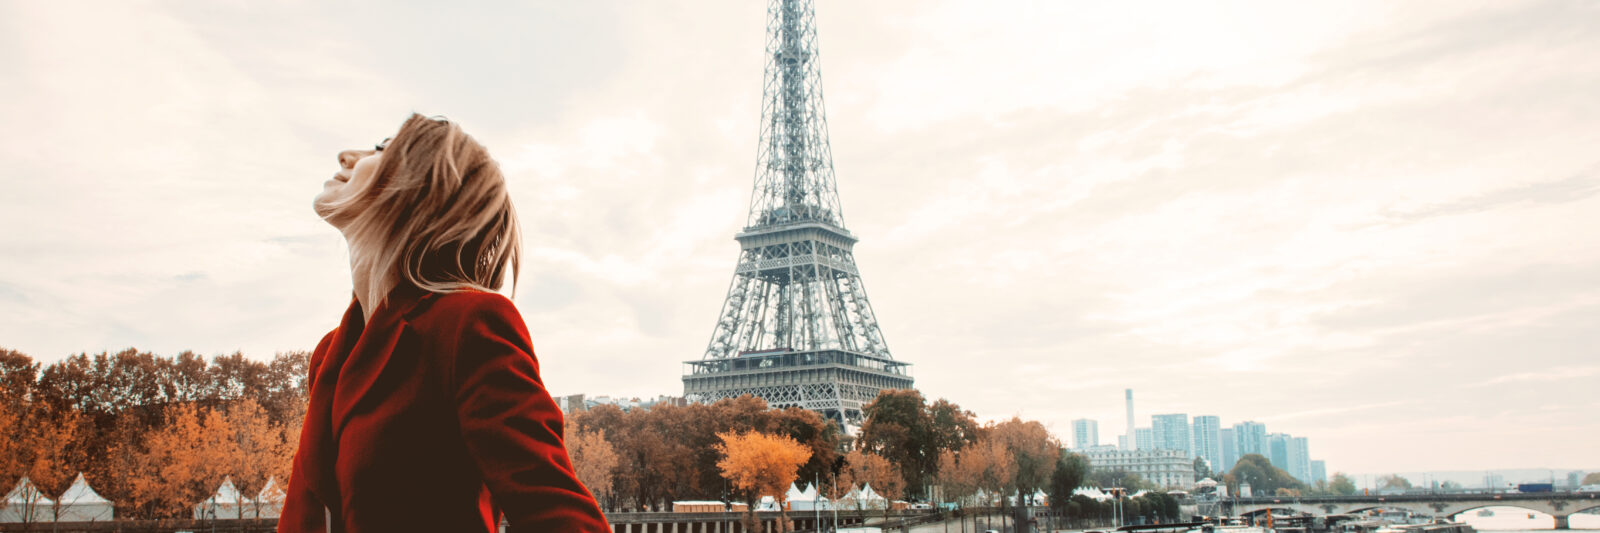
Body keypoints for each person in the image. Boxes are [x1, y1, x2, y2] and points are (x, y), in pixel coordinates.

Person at [279, 114, 610, 532]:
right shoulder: (331, 353)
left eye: (380, 149)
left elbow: (560, 517)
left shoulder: (468, 325)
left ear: (417, 188)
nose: (348, 155)